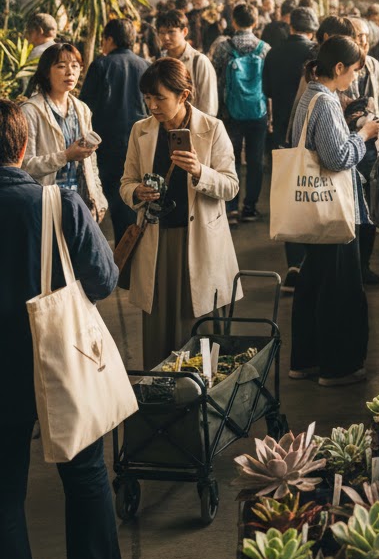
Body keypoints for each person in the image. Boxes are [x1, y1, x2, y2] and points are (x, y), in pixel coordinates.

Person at [0, 101, 122, 559]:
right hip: (60, 355)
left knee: (4, 492)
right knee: (85, 470)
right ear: (24, 146)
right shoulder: (57, 203)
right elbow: (103, 280)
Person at [120, 58, 240, 369]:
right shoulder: (140, 130)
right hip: (156, 244)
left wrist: (200, 171)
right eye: (148, 97)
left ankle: (204, 391)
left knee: (200, 325)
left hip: (200, 243)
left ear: (183, 95)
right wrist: (137, 192)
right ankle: (161, 391)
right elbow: (126, 182)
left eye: (159, 98)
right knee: (159, 326)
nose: (152, 106)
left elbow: (231, 186)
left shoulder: (212, 129)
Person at [289, 36, 379, 387]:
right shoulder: (325, 101)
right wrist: (364, 134)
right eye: (354, 71)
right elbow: (337, 158)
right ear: (339, 67)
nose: (356, 78)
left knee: (314, 283)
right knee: (339, 289)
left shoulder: (310, 96)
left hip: (313, 210)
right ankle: (338, 367)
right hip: (333, 212)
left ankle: (306, 361)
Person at [79, 19, 150, 244]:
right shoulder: (146, 65)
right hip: (140, 143)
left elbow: (85, 107)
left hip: (108, 146)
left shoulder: (101, 65)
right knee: (133, 200)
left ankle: (123, 253)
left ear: (109, 39)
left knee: (114, 202)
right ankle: (131, 249)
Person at [21, 42, 107, 223]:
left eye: (75, 66)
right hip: (44, 205)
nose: (70, 72)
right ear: (47, 72)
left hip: (80, 205)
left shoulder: (82, 109)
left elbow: (91, 163)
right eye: (61, 66)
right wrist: (65, 156)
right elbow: (25, 166)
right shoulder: (31, 111)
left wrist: (98, 199)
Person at [340, 18, 379, 285]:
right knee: (348, 207)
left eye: (366, 37)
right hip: (346, 144)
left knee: (369, 208)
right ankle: (348, 266)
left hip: (371, 146)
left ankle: (364, 265)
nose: (364, 41)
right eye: (358, 36)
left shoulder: (373, 65)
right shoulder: (342, 66)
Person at [211, 3, 271, 224]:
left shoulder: (223, 48)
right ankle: (250, 208)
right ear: (255, 22)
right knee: (255, 161)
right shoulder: (265, 49)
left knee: (231, 159)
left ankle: (231, 209)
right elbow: (268, 85)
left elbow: (215, 78)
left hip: (230, 112)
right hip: (258, 112)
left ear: (234, 22)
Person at [262, 4, 318, 153]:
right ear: (311, 32)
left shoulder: (273, 52)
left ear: (290, 27)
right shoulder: (316, 53)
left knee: (284, 164)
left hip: (281, 122)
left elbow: (267, 90)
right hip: (309, 123)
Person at [155, 9, 218, 116]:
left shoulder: (199, 62)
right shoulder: (159, 61)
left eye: (171, 32)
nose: (166, 37)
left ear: (184, 32)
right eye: (162, 33)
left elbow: (208, 106)